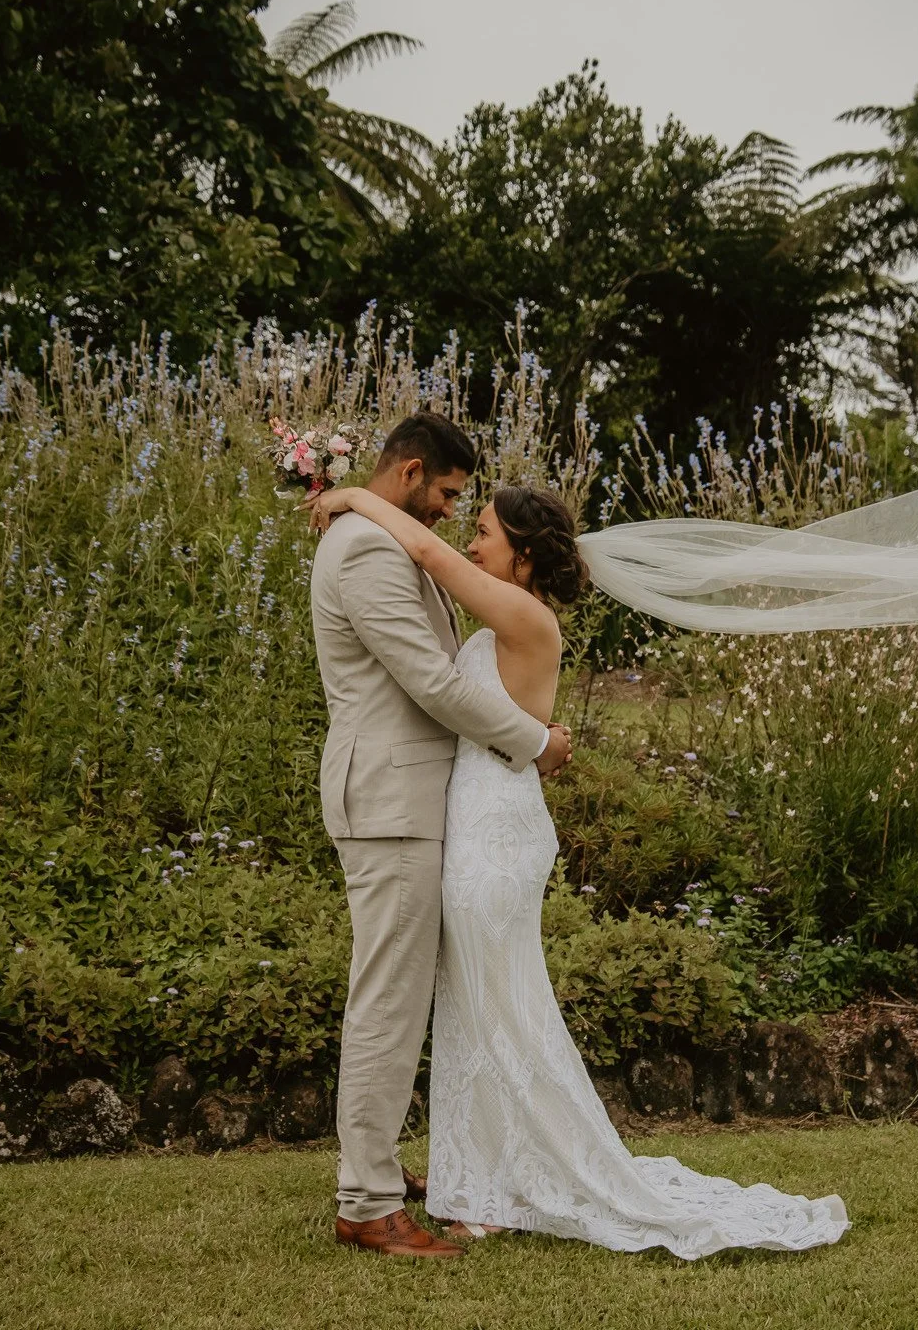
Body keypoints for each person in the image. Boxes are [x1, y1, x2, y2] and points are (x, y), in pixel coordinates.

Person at [308, 470, 849, 1261]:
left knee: (502, 1012)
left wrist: (353, 496)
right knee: (478, 1010)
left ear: (523, 555)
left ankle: (509, 1179)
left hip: (494, 838)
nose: (471, 538)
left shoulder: (523, 615)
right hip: (475, 828)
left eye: (486, 529)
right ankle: (480, 1178)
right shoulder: (503, 619)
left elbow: (424, 548)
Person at [310, 413, 574, 1260]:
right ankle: (367, 1200)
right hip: (388, 801)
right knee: (386, 997)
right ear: (413, 472)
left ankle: (376, 1169)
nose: (454, 515)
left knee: (403, 996)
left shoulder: (389, 542)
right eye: (450, 496)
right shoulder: (362, 551)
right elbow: (429, 680)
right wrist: (535, 742)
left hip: (423, 803)